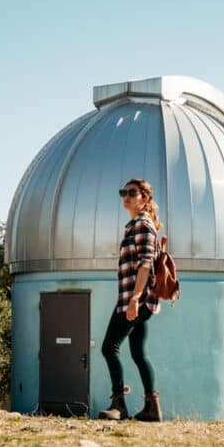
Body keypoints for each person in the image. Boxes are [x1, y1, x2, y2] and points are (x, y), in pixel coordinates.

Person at [98, 178, 163, 421]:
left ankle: (119, 405)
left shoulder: (143, 226)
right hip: (134, 298)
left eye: (132, 193)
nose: (126, 196)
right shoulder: (133, 225)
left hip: (135, 298)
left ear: (144, 198)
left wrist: (135, 298)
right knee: (137, 352)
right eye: (123, 192)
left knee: (109, 347)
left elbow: (145, 265)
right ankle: (151, 408)